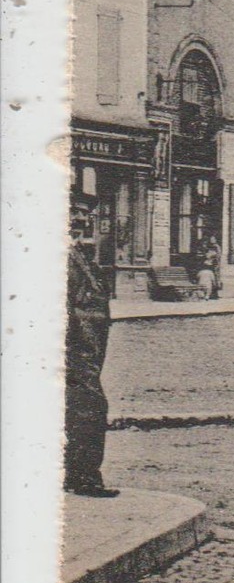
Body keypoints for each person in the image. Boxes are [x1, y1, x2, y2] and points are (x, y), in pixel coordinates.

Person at [65, 195, 118, 497]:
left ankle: (73, 474)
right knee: (90, 407)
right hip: (73, 349)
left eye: (85, 214)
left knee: (78, 409)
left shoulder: (79, 255)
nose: (81, 220)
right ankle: (84, 477)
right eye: (73, 212)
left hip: (89, 348)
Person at [197, 235, 222, 300]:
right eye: (211, 239)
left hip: (213, 265)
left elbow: (217, 255)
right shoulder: (210, 247)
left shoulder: (216, 247)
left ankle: (213, 294)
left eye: (213, 239)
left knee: (213, 279)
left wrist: (210, 256)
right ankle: (211, 294)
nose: (212, 240)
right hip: (211, 264)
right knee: (210, 279)